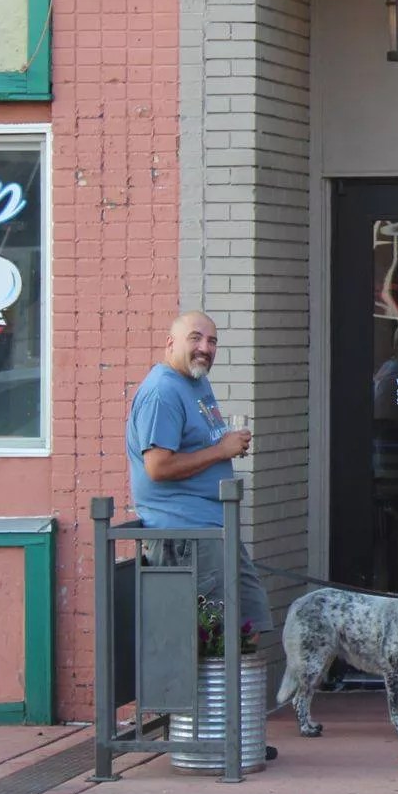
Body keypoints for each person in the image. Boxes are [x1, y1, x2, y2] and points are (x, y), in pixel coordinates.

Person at [125, 313, 281, 761]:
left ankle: (236, 734)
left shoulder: (194, 383)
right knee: (214, 635)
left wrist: (221, 446)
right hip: (185, 534)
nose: (205, 348)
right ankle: (210, 741)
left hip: (215, 528)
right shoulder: (162, 391)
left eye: (212, 341)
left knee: (247, 622)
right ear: (170, 341)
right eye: (195, 338)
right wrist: (221, 450)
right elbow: (157, 467)